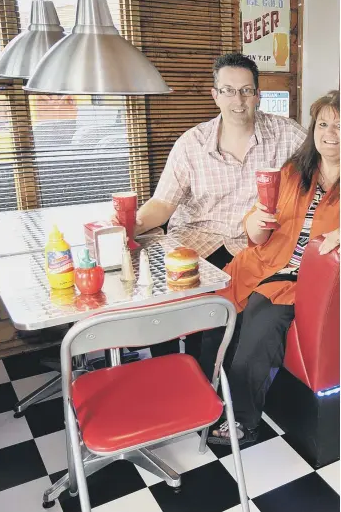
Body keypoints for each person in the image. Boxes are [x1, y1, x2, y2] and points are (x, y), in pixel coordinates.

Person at [114, 52, 307, 358]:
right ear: (215, 95)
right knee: (160, 304)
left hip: (252, 244)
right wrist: (127, 225)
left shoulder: (287, 134)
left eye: (246, 90)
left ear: (258, 95)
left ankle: (210, 383)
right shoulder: (191, 143)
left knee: (216, 318)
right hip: (196, 240)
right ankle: (171, 371)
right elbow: (163, 203)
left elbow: (325, 164)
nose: (238, 100)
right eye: (228, 90)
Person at [200, 90, 340, 446]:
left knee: (260, 325)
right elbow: (257, 226)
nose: (330, 133)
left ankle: (242, 420)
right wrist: (258, 223)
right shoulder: (294, 171)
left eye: (339, 126)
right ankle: (204, 400)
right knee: (213, 313)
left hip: (301, 282)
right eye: (323, 124)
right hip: (259, 264)